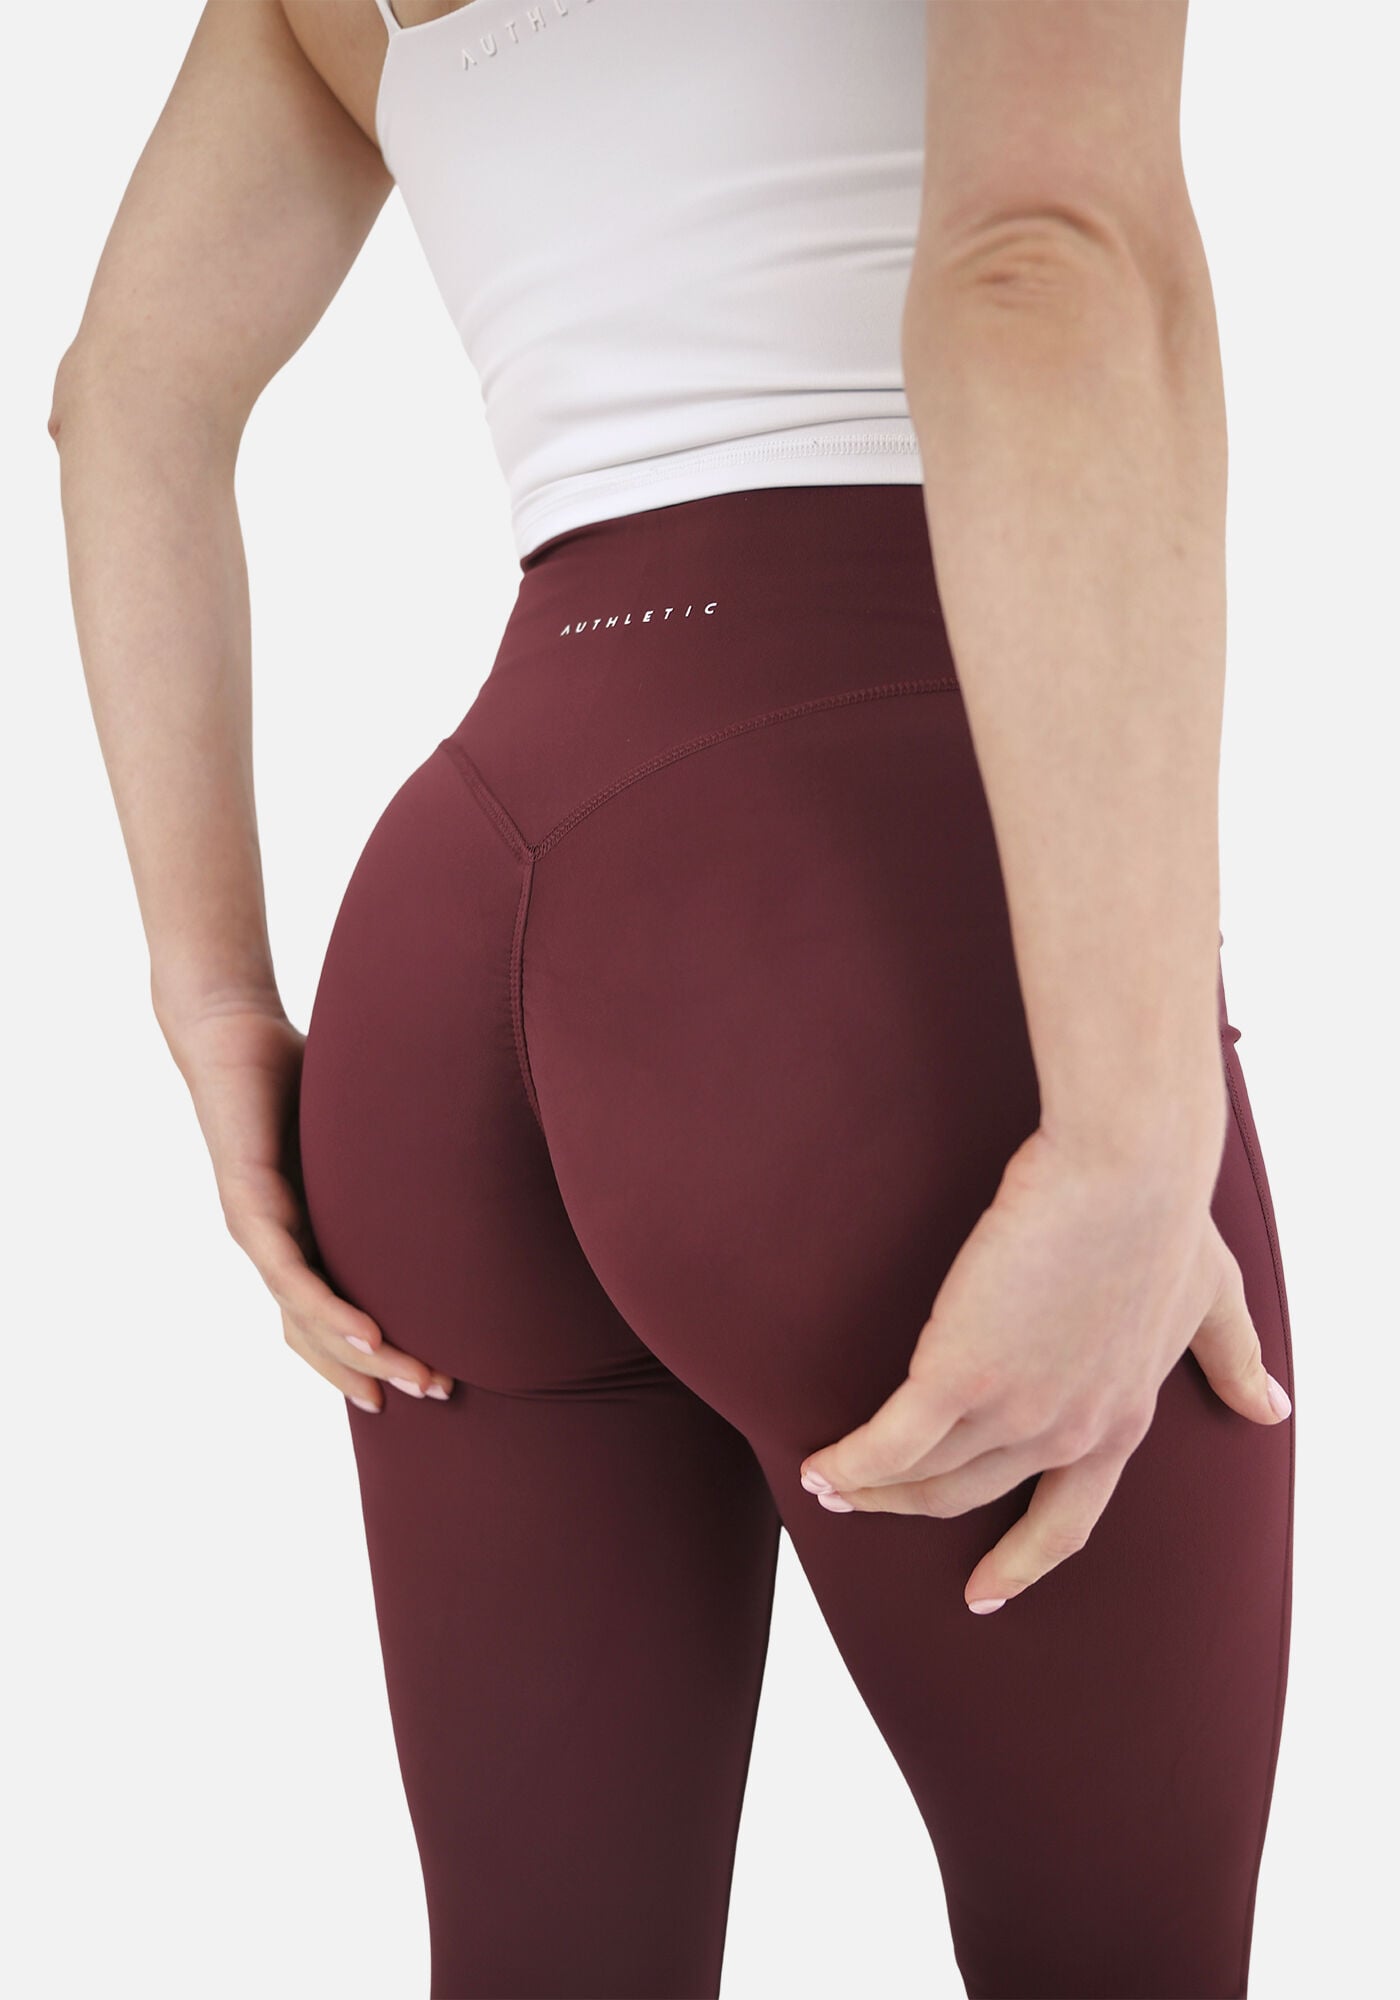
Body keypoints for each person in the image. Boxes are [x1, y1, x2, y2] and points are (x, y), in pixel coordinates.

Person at [48, 2, 1295, 1995]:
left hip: (452, 947)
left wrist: (213, 997)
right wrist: (1134, 1131)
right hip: (876, 914)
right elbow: (1038, 258)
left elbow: (127, 391)